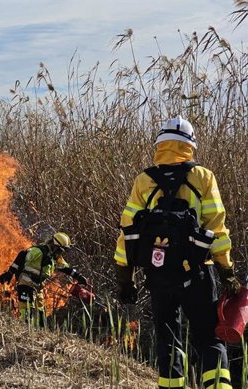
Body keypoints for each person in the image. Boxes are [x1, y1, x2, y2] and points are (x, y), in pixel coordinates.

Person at [113, 116, 238, 389]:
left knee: (168, 339)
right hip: (197, 273)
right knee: (209, 338)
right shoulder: (203, 177)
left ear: (159, 145)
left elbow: (128, 231)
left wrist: (125, 279)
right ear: (190, 145)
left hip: (158, 275)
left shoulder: (144, 181)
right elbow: (217, 229)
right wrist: (227, 271)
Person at [0, 232, 88, 324]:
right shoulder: (39, 251)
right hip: (26, 282)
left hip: (38, 287)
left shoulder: (55, 257)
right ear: (54, 246)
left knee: (40, 315)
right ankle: (22, 331)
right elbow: (23, 255)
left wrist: (78, 277)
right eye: (61, 250)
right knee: (27, 311)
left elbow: (65, 268)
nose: (61, 253)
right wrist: (10, 273)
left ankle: (34, 335)